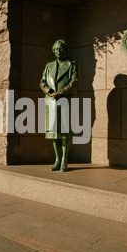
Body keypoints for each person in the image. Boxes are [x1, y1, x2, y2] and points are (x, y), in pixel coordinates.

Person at [40, 39, 79, 172]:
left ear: (66, 50)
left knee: (65, 133)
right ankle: (57, 159)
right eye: (56, 49)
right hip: (51, 102)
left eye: (61, 49)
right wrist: (50, 92)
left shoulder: (72, 64)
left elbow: (75, 81)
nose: (58, 51)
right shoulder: (48, 65)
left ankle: (64, 160)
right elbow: (42, 82)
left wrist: (62, 92)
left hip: (65, 100)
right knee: (54, 133)